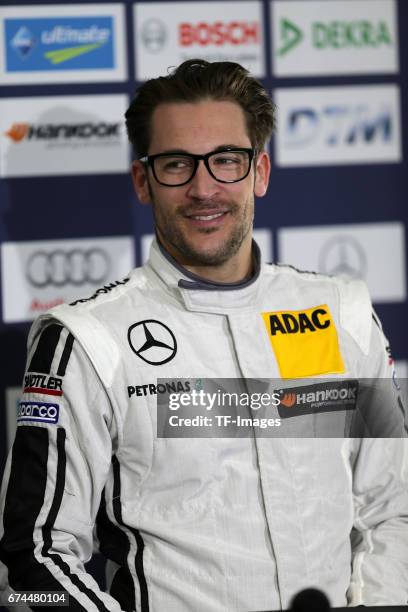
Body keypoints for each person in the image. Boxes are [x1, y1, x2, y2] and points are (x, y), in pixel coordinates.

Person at [0, 59, 407, 612]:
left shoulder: (341, 312)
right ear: (144, 182)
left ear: (259, 172)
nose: (203, 187)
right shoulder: (86, 339)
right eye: (176, 164)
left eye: (226, 160)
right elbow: (32, 560)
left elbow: (396, 505)